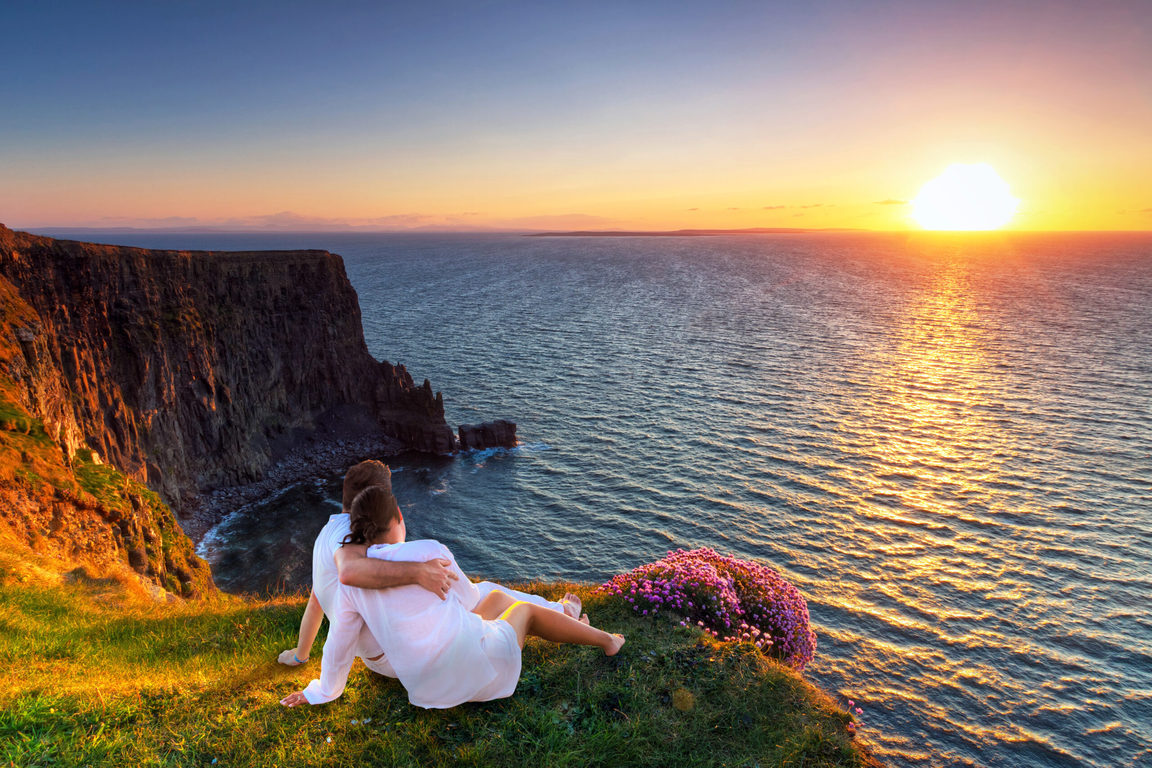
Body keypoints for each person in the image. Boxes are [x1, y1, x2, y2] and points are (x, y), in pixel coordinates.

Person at [280, 486, 624, 709]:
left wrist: (320, 692)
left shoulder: (353, 585)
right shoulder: (429, 551)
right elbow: (470, 598)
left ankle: (566, 613)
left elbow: (338, 645)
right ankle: (607, 641)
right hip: (478, 673)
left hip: (424, 687)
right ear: (398, 518)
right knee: (523, 612)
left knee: (491, 604)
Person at [278, 460, 583, 674]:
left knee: (477, 594)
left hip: (375, 658)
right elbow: (348, 571)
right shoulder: (353, 541)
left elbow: (318, 597)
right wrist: (419, 571)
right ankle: (562, 613)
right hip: (397, 659)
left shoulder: (327, 532)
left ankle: (556, 613)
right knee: (482, 594)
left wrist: (300, 655)